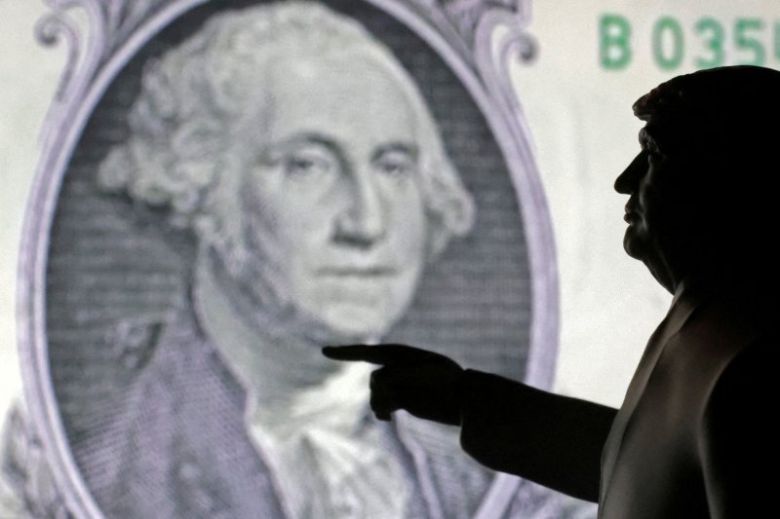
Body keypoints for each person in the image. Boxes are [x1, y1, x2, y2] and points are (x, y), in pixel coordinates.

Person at [0, 2, 568, 518]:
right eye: (307, 165)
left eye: (393, 166)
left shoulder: (474, 472)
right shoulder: (114, 468)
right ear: (200, 183)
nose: (366, 223)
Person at [325, 64, 779, 518]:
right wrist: (463, 400)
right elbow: (640, 468)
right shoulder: (710, 326)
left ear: (729, 180)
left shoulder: (754, 363)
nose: (624, 180)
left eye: (656, 154)